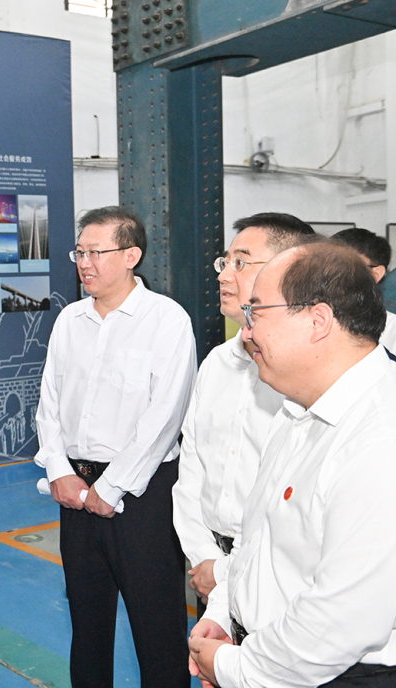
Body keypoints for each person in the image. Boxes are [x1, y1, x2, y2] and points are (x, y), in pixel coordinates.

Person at [189, 242, 396, 688]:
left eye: (256, 313)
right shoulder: (296, 409)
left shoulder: (381, 436)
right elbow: (259, 540)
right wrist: (225, 613)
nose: (246, 332)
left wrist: (232, 668)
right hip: (266, 660)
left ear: (317, 320)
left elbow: (341, 620)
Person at [34, 206, 196, 688]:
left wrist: (114, 485)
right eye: (79, 253)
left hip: (144, 495)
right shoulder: (70, 320)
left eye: (95, 253)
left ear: (131, 255)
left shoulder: (166, 319)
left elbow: (165, 416)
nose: (84, 263)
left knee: (158, 625)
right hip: (76, 490)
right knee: (87, 624)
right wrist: (59, 469)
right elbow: (50, 402)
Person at [172, 213, 316, 617]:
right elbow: (192, 469)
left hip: (280, 577)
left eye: (241, 262)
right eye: (224, 262)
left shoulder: (308, 374)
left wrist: (227, 570)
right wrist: (205, 558)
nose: (223, 275)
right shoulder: (217, 363)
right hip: (208, 565)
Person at [331, 227, 396, 348]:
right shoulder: (310, 320)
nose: (333, 274)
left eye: (345, 265)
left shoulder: (392, 331)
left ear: (376, 274)